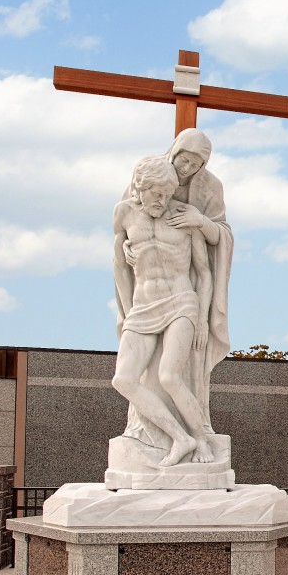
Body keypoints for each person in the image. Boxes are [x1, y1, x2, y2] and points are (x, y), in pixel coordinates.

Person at [113, 129, 233, 453]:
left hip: (180, 301)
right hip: (143, 306)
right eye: (185, 160)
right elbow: (119, 264)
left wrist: (200, 221)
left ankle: (200, 441)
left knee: (170, 375)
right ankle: (177, 438)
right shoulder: (126, 210)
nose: (188, 168)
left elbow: (208, 262)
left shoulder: (189, 210)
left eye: (197, 164)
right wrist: (126, 310)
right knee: (125, 378)